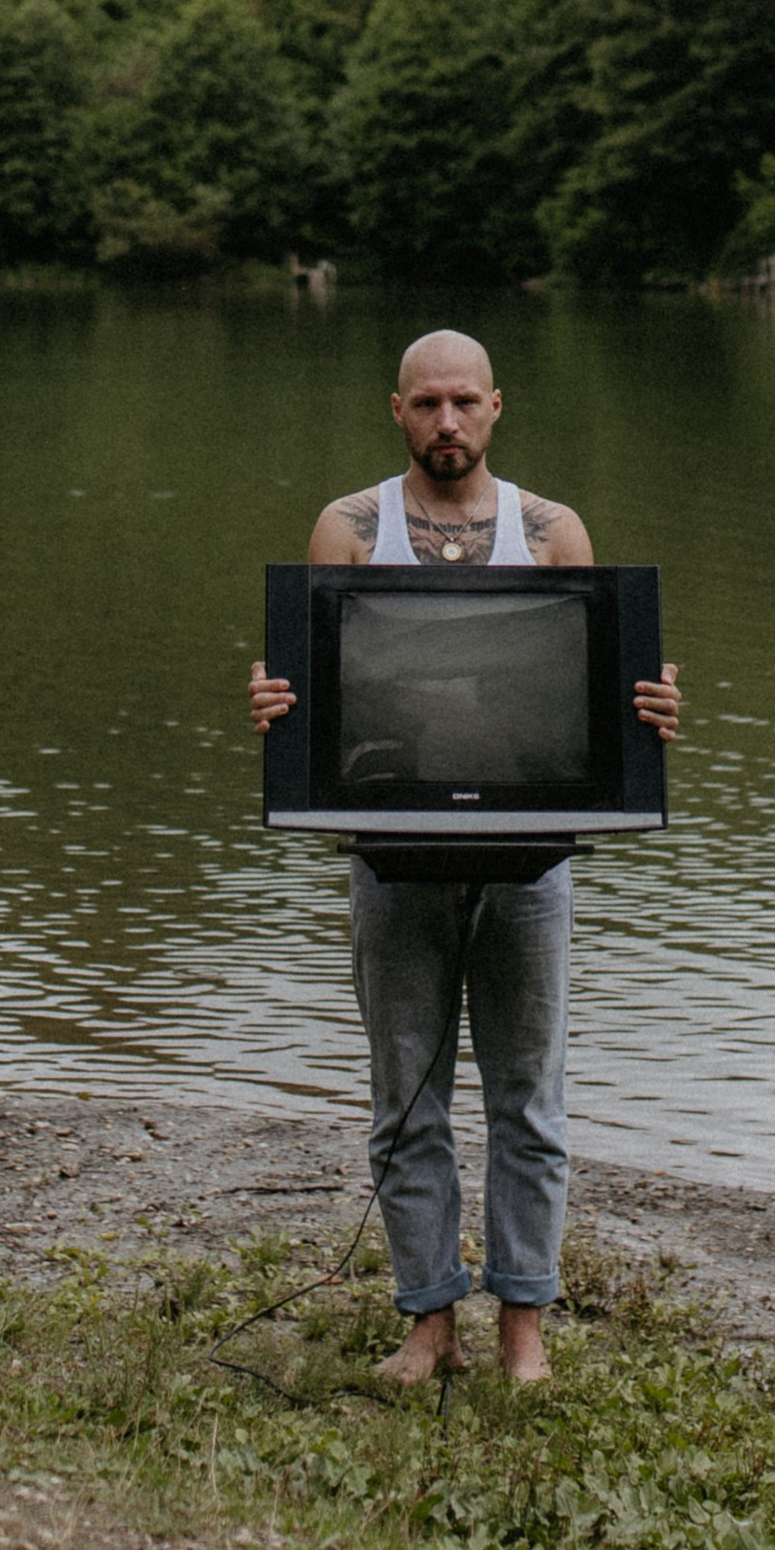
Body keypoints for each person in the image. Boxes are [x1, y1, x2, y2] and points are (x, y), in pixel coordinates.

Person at [249, 327, 680, 1388]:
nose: (446, 422)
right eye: (426, 404)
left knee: (528, 1098)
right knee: (406, 1096)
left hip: (530, 860)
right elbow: (319, 695)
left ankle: (523, 1333)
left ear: (497, 408)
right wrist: (276, 708)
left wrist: (654, 712)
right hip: (389, 852)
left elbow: (593, 697)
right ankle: (427, 1322)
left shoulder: (551, 531)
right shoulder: (349, 529)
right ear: (395, 411)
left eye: (464, 404)